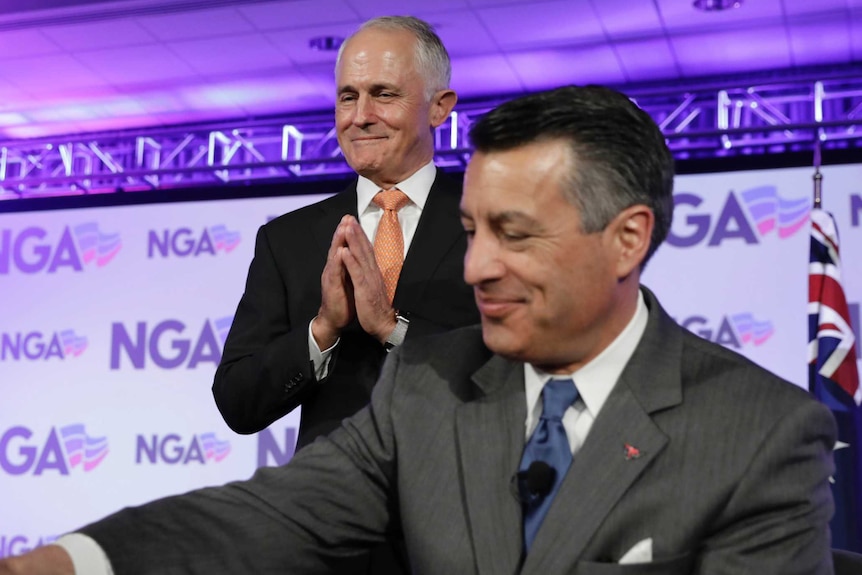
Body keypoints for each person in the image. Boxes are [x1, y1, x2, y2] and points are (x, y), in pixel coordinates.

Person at [1, 85, 837, 575]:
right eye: (472, 231)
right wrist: (70, 561)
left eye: (515, 234)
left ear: (627, 237)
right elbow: (265, 516)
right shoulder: (430, 385)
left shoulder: (762, 434)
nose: (476, 269)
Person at [211, 15, 478, 448]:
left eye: (384, 94)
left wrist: (392, 329)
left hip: (457, 498)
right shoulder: (288, 240)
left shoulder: (490, 222)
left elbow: (522, 368)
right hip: (330, 507)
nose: (360, 117)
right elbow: (237, 402)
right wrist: (322, 329)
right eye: (347, 97)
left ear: (440, 106)